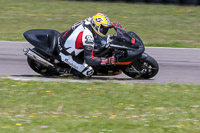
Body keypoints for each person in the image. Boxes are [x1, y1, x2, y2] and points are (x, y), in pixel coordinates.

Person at [57, 13, 116, 77]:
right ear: (96, 26)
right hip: (66, 54)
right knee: (88, 72)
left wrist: (112, 24)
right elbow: (89, 60)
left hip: (65, 39)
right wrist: (106, 60)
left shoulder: (89, 21)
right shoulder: (88, 38)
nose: (104, 30)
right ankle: (63, 70)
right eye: (103, 28)